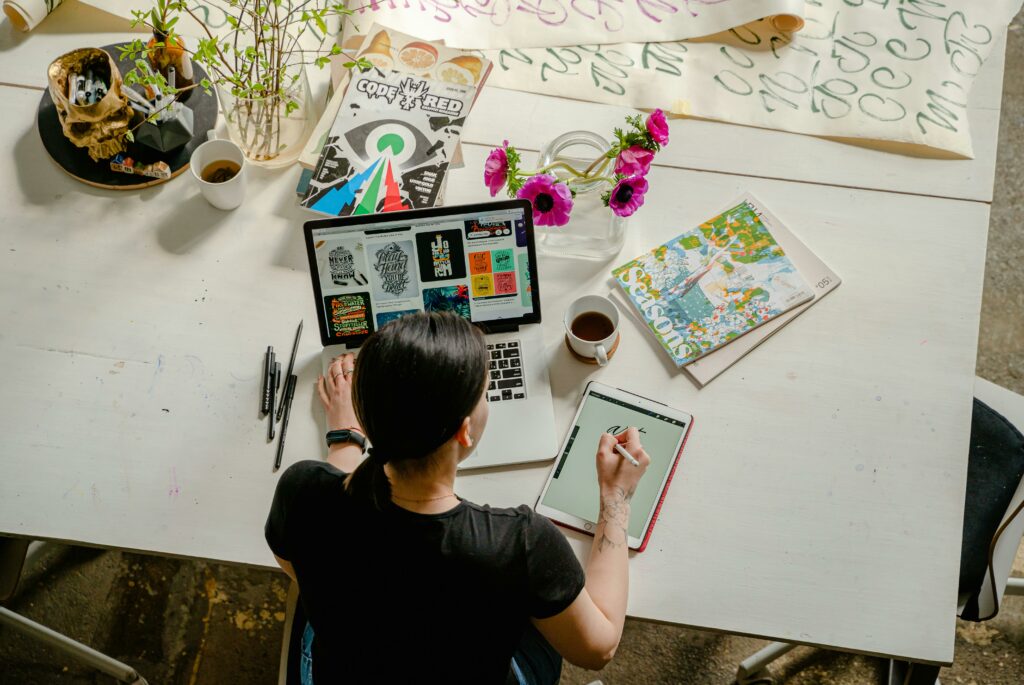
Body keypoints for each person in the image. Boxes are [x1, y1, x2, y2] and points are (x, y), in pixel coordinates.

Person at [265, 312, 650, 684]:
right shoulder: (519, 543)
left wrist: (344, 435)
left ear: (368, 418)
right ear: (465, 432)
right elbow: (597, 650)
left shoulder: (302, 490)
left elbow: (295, 564)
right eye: (485, 394)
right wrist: (616, 497)